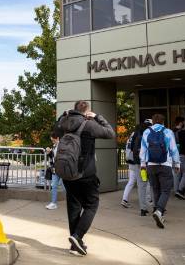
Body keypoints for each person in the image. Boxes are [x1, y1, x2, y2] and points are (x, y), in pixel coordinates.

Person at [55, 100, 115, 256]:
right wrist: (97, 117)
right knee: (91, 204)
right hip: (86, 174)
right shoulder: (89, 124)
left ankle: (75, 245)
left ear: (74, 110)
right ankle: (77, 236)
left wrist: (63, 115)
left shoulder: (64, 123)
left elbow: (54, 132)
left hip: (67, 174)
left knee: (73, 207)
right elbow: (110, 133)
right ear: (87, 111)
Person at [140, 113, 180, 229]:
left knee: (155, 189)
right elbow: (173, 149)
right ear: (163, 122)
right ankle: (159, 211)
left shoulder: (147, 132)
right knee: (166, 190)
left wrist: (143, 164)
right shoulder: (168, 132)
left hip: (151, 165)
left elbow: (143, 149)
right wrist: (177, 163)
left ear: (153, 121)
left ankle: (158, 212)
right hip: (165, 165)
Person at [121, 120, 153, 216]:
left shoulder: (133, 134)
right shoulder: (143, 135)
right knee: (146, 183)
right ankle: (148, 201)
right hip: (141, 163)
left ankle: (125, 199)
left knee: (134, 182)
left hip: (133, 161)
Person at [172, 116, 185, 200]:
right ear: (181, 123)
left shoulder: (171, 132)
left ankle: (176, 191)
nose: (184, 124)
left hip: (174, 156)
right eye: (183, 122)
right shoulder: (184, 132)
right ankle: (180, 191)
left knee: (176, 174)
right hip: (183, 155)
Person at [45, 134, 64, 210]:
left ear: (58, 138)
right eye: (52, 140)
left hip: (61, 169)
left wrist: (51, 152)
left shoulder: (62, 145)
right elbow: (53, 157)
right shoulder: (54, 146)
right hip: (55, 169)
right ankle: (53, 203)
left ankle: (77, 202)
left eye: (53, 140)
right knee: (54, 186)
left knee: (65, 187)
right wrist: (49, 153)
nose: (53, 141)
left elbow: (60, 156)